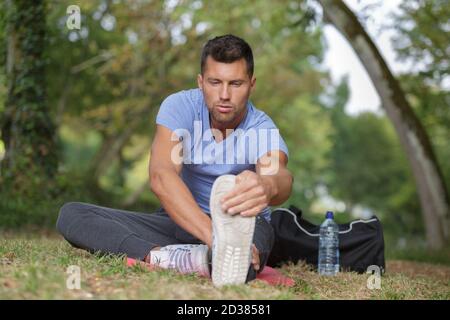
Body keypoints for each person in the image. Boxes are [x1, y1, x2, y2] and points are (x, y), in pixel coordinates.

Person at [57, 34, 293, 287]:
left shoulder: (261, 128)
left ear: (251, 84)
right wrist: (214, 237)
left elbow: (278, 175)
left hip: (241, 224)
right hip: (183, 219)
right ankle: (167, 256)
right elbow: (161, 175)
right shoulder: (180, 107)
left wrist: (266, 186)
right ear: (201, 82)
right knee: (73, 215)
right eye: (215, 82)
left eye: (235, 84)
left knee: (240, 264)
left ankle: (189, 258)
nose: (224, 94)